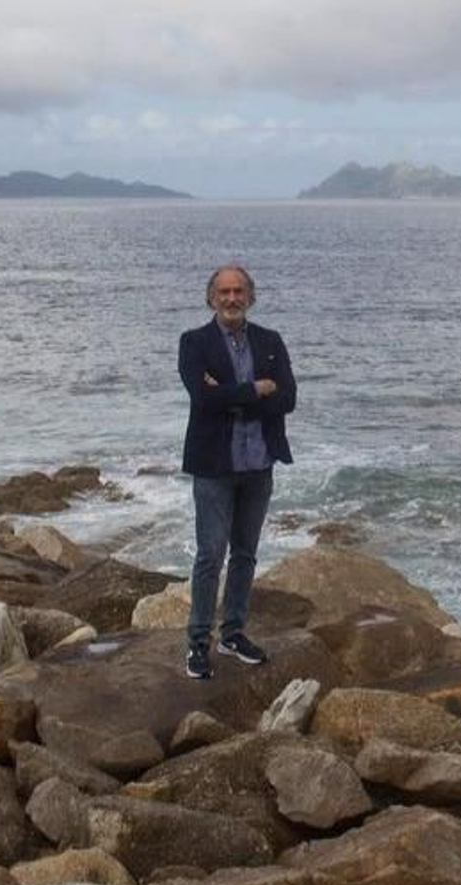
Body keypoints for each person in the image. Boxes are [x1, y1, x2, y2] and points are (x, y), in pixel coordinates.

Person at [177, 264, 296, 679]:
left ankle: (233, 634)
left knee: (245, 554)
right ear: (212, 298)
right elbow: (202, 399)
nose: (232, 298)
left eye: (239, 291)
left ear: (251, 297)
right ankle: (197, 644)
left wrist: (229, 394)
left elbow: (288, 399)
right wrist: (255, 389)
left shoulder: (270, 341)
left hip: (259, 464)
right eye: (224, 291)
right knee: (210, 555)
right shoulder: (194, 343)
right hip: (214, 467)